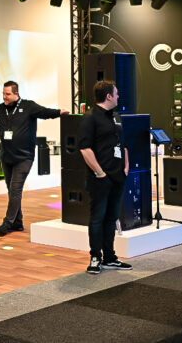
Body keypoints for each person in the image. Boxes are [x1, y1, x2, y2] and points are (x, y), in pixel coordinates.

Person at [0, 80, 68, 237]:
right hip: (7, 156)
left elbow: (45, 112)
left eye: (7, 94)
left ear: (16, 93)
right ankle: (18, 222)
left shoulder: (29, 106)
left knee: (15, 189)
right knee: (11, 190)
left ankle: (8, 223)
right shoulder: (1, 109)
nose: (4, 96)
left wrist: (59, 112)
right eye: (3, 93)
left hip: (24, 157)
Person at [78, 80, 132, 274]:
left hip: (118, 176)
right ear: (109, 96)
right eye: (116, 93)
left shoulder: (115, 117)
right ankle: (95, 257)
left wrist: (126, 167)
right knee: (97, 218)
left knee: (111, 218)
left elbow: (122, 144)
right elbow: (84, 148)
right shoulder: (90, 118)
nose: (118, 96)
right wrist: (100, 173)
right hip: (100, 178)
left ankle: (110, 257)